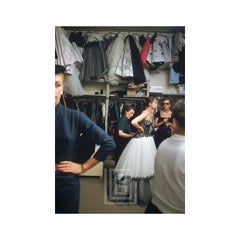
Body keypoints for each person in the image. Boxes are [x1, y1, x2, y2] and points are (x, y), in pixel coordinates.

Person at [55, 64, 116, 213]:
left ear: (62, 88)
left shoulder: (75, 117)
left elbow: (108, 143)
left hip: (65, 185)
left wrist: (83, 167)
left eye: (57, 85)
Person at [114, 96, 157, 206]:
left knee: (144, 166)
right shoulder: (145, 112)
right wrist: (140, 128)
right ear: (150, 104)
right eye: (155, 102)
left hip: (148, 140)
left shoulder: (151, 113)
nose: (157, 104)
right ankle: (133, 195)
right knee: (138, 166)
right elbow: (134, 121)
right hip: (143, 141)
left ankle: (142, 195)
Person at [145, 98, 185, 213]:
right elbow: (156, 124)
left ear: (176, 120)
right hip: (161, 135)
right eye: (163, 104)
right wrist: (163, 122)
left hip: (156, 207)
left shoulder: (164, 146)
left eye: (167, 104)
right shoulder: (163, 146)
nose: (165, 105)